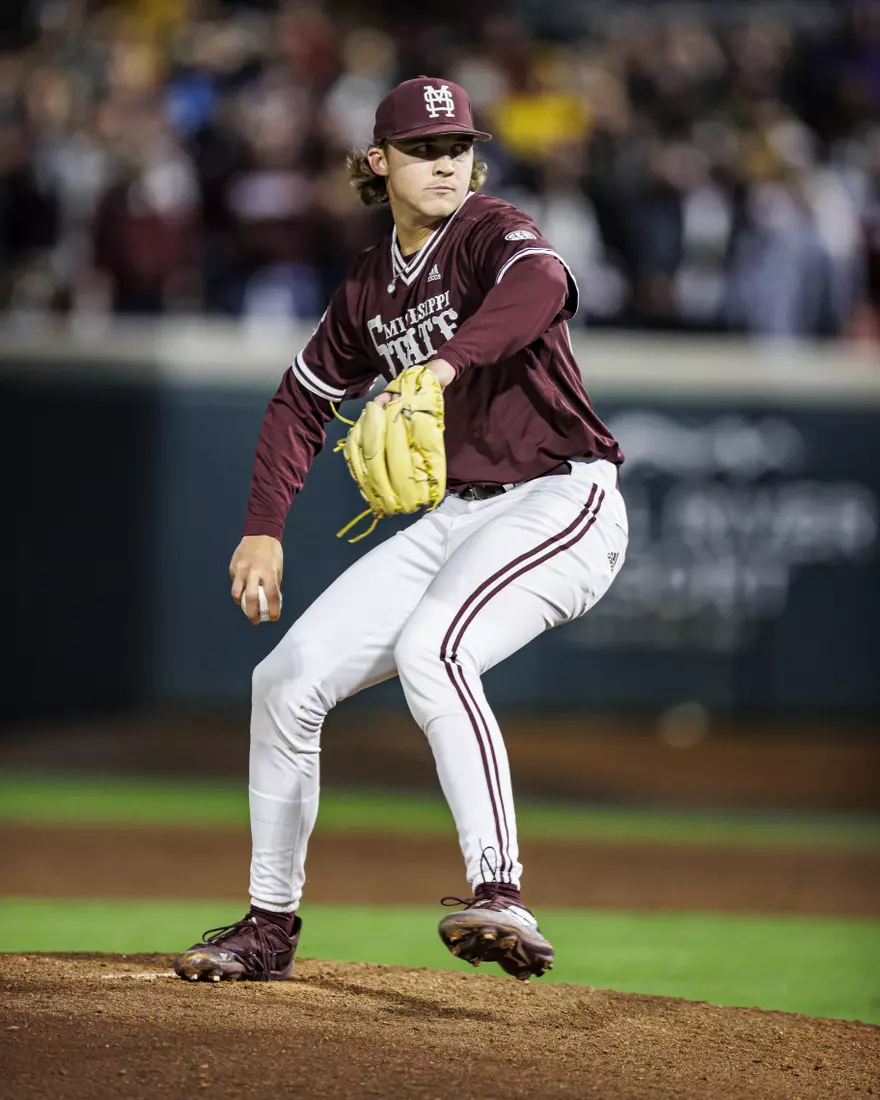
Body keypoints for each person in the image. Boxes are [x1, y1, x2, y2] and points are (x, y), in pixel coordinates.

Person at [173, 76, 628, 984]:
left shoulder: (492, 231)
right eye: (423, 150)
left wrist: (443, 368)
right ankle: (269, 927)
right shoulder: (370, 286)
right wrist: (264, 526)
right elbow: (301, 401)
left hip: (561, 501)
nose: (445, 163)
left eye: (457, 146)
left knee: (434, 649)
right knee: (285, 681)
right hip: (461, 514)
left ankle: (498, 890)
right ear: (378, 164)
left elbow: (542, 283)